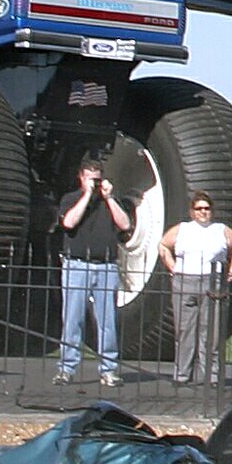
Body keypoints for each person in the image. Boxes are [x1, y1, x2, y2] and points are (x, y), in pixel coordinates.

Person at [54, 158, 132, 387]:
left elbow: (125, 224)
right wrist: (86, 196)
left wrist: (108, 198)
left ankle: (108, 369)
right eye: (91, 178)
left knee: (107, 320)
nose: (95, 183)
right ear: (82, 177)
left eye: (98, 179)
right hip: (78, 264)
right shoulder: (70, 199)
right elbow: (69, 223)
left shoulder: (109, 202)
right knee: (72, 318)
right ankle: (67, 367)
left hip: (106, 265)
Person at [157, 191, 232, 387]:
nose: (203, 212)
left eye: (207, 208)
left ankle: (212, 377)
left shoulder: (222, 230)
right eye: (199, 209)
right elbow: (163, 245)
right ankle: (182, 375)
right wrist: (172, 266)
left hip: (213, 282)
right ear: (192, 211)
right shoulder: (182, 229)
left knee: (211, 331)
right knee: (185, 330)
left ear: (212, 211)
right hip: (185, 281)